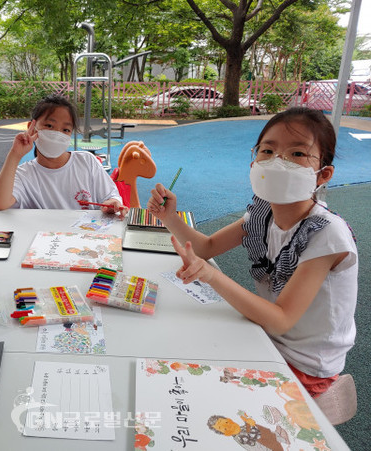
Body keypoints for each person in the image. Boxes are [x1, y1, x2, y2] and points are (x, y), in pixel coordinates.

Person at [147, 107, 357, 398]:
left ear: (324, 174)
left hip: (304, 365)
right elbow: (207, 247)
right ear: (253, 163)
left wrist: (210, 276)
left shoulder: (326, 234)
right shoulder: (263, 214)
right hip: (267, 336)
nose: (277, 162)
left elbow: (282, 318)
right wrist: (170, 217)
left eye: (297, 154)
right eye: (267, 151)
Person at [0, 94, 127, 218]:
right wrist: (14, 155)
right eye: (49, 125)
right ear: (32, 127)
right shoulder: (23, 174)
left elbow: (111, 196)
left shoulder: (87, 161)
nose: (57, 134)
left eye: (65, 130)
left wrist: (113, 203)